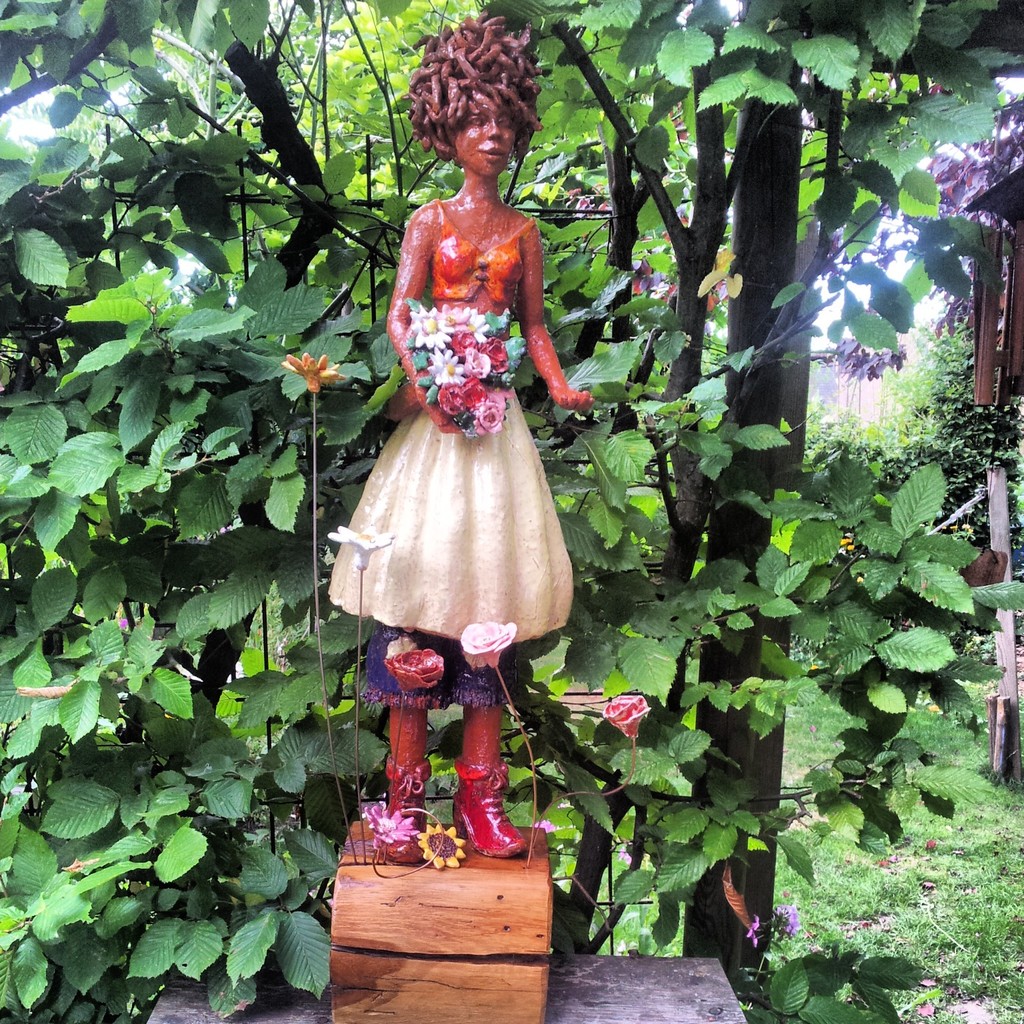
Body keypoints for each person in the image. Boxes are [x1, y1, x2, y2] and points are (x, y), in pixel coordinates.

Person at [329, 14, 591, 863]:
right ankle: (403, 802)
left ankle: (482, 799)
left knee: (490, 594)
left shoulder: (523, 233)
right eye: (476, 119)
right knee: (415, 589)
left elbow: (535, 325)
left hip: (495, 426)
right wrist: (428, 377)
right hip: (434, 423)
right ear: (447, 128)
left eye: (505, 121)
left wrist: (556, 382)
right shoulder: (428, 221)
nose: (493, 135)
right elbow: (401, 313)